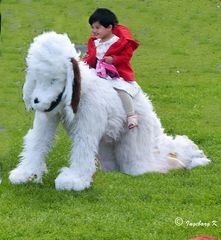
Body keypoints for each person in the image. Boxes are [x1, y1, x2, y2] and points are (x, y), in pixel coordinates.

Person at [83, 8, 140, 129]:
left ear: (109, 27)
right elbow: (91, 57)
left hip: (114, 74)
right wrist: (84, 61)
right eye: (92, 27)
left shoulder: (119, 42)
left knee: (121, 89)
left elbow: (125, 57)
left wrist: (114, 60)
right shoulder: (95, 42)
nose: (94, 31)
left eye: (97, 28)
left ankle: (131, 115)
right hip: (97, 73)